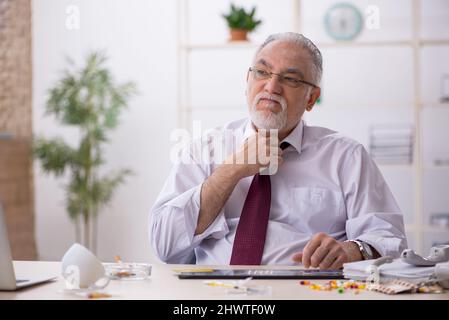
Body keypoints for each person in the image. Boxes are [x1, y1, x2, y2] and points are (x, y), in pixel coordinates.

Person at [149, 32, 407, 269]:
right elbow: (165, 245)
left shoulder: (346, 156)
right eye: (262, 72)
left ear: (311, 98)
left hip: (309, 292)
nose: (271, 87)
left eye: (290, 79)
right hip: (216, 292)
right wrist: (232, 170)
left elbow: (390, 240)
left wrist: (351, 250)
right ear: (247, 80)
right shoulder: (202, 150)